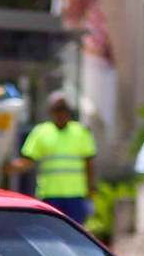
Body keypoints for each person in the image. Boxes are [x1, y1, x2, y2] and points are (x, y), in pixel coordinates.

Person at [19, 92, 97, 229]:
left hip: (75, 196)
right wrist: (6, 167)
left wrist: (91, 191)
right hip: (50, 195)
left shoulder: (81, 132)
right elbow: (28, 161)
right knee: (51, 235)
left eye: (63, 108)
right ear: (50, 111)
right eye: (57, 109)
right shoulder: (41, 132)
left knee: (75, 236)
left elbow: (89, 164)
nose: (60, 113)